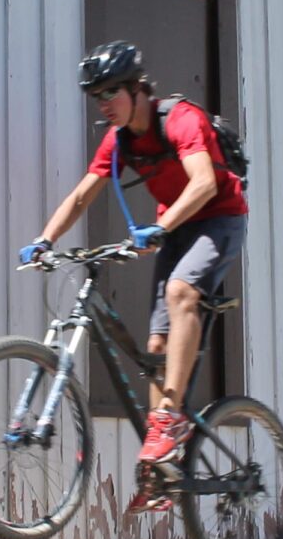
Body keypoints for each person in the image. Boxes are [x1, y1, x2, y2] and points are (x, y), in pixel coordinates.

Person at [19, 40, 249, 491]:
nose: (104, 104)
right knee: (157, 346)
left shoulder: (182, 120)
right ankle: (162, 468)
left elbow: (204, 184)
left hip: (220, 218)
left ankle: (169, 419)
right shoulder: (117, 140)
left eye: (111, 93)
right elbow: (84, 194)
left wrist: (160, 226)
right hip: (175, 226)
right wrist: (45, 239)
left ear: (137, 88)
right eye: (97, 97)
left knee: (181, 293)